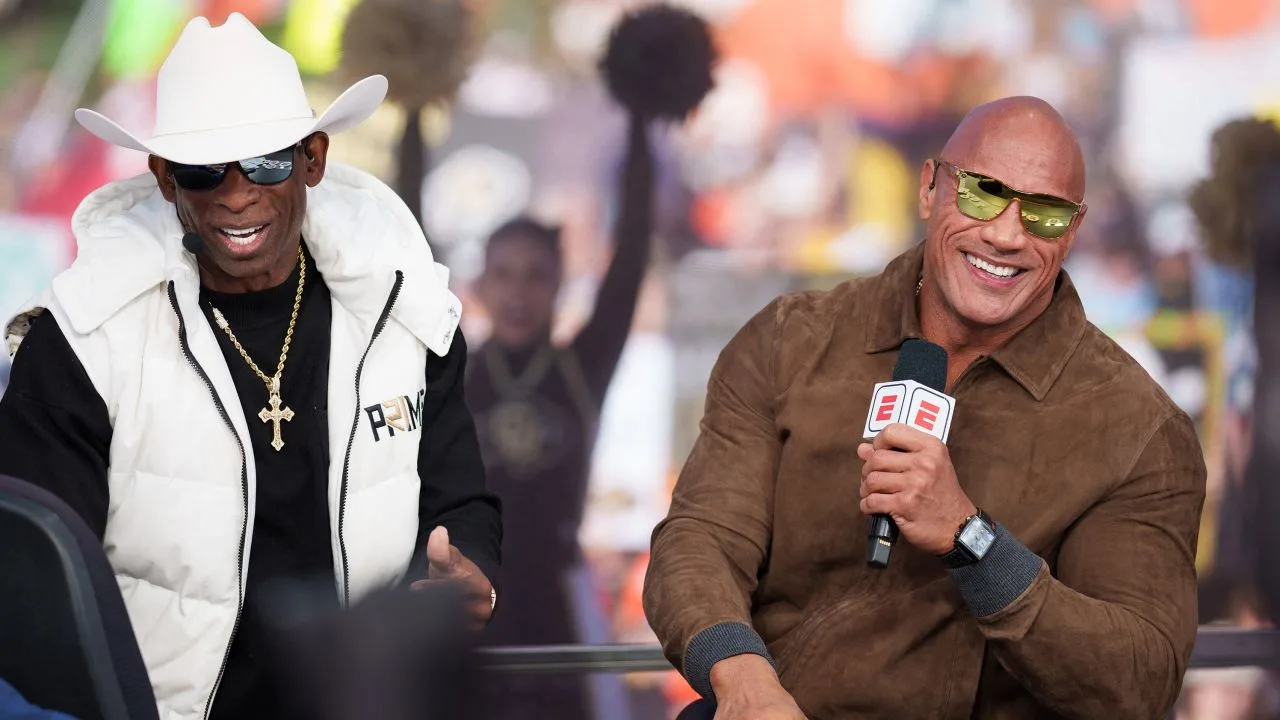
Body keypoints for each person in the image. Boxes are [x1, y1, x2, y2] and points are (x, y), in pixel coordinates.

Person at [0, 14, 500, 720]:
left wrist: (471, 570)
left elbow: (460, 501)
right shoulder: (82, 343)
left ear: (313, 159)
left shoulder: (403, 312)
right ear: (164, 179)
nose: (237, 194)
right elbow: (35, 579)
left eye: (266, 162)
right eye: (205, 171)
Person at [644, 96, 1207, 719]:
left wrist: (973, 541)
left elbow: (1140, 678)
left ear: (1072, 232)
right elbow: (699, 541)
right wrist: (744, 682)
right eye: (982, 193)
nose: (1005, 234)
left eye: (1044, 215)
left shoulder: (1138, 427)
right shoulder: (790, 341)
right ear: (930, 188)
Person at [466, 111, 654, 718]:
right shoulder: (451, 371)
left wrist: (641, 121)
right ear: (480, 285)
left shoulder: (582, 367)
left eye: (536, 276)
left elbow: (630, 259)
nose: (518, 292)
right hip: (467, 596)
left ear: (558, 285)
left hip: (558, 595)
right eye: (504, 275)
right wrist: (416, 107)